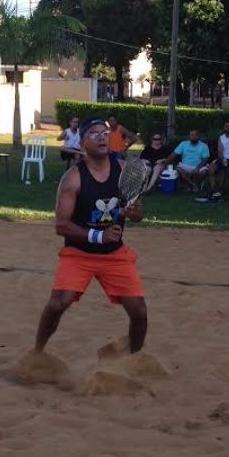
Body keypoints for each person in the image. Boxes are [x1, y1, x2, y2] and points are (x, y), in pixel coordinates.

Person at [34, 118, 147, 356]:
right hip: (78, 253)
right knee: (57, 304)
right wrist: (98, 235)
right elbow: (61, 225)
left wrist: (135, 212)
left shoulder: (124, 170)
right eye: (94, 134)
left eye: (105, 133)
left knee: (139, 313)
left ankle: (132, 359)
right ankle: (37, 353)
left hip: (114, 253)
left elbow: (138, 214)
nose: (102, 137)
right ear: (83, 142)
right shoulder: (72, 178)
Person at [167, 128, 211, 192]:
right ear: (189, 136)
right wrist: (165, 163)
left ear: (198, 136)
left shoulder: (203, 146)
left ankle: (195, 185)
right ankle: (192, 184)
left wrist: (197, 168)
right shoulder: (183, 144)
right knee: (179, 169)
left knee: (203, 172)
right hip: (186, 165)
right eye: (191, 135)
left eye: (195, 135)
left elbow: (205, 159)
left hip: (199, 165)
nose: (193, 137)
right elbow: (174, 154)